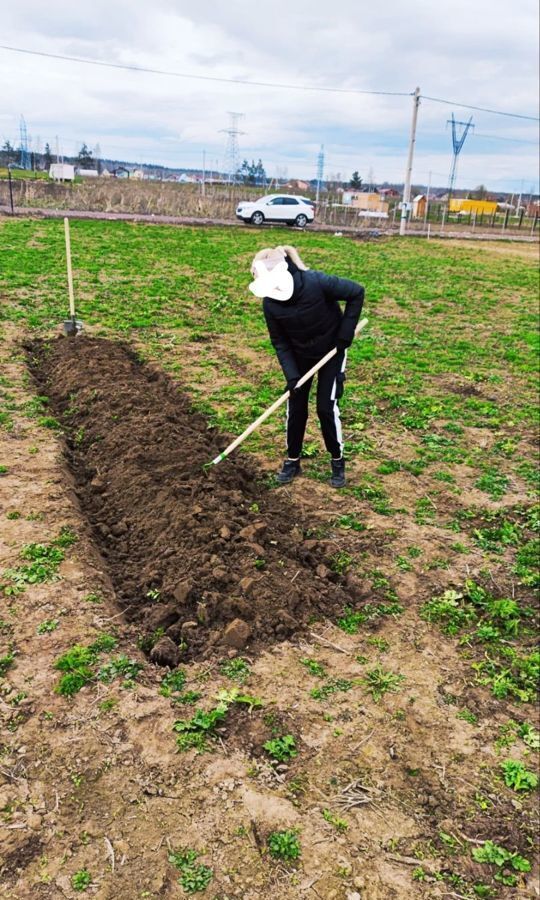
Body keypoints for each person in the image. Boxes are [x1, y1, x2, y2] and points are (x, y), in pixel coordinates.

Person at [249, 244, 364, 488]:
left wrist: (345, 334)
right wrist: (292, 377)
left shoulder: (315, 282)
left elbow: (356, 292)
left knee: (325, 407)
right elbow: (280, 341)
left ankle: (337, 460)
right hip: (300, 356)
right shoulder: (270, 303)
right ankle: (292, 460)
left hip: (332, 351)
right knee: (296, 404)